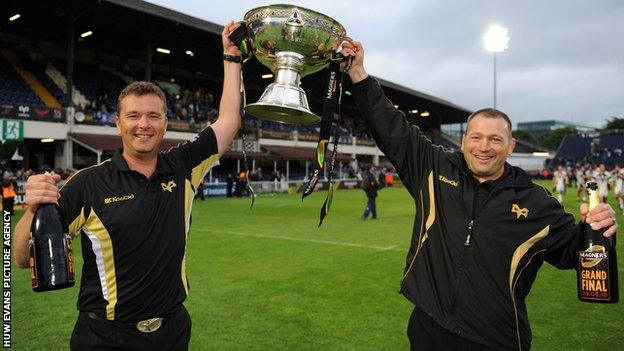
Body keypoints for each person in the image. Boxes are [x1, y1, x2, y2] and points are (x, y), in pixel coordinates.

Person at [341, 41, 618, 350]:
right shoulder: (431, 168)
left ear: (511, 146)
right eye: (476, 137)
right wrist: (359, 73)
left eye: (495, 139)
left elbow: (575, 253)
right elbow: (392, 128)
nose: (484, 147)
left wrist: (598, 229)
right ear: (464, 141)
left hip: (494, 340)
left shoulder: (536, 201)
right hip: (428, 329)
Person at [13, 21, 244, 350]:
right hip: (106, 338)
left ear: (165, 123)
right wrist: (32, 207)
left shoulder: (183, 166)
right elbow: (22, 258)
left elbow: (229, 121)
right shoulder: (89, 182)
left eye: (154, 116)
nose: (144, 125)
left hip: (172, 331)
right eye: (134, 116)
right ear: (118, 122)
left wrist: (231, 57)